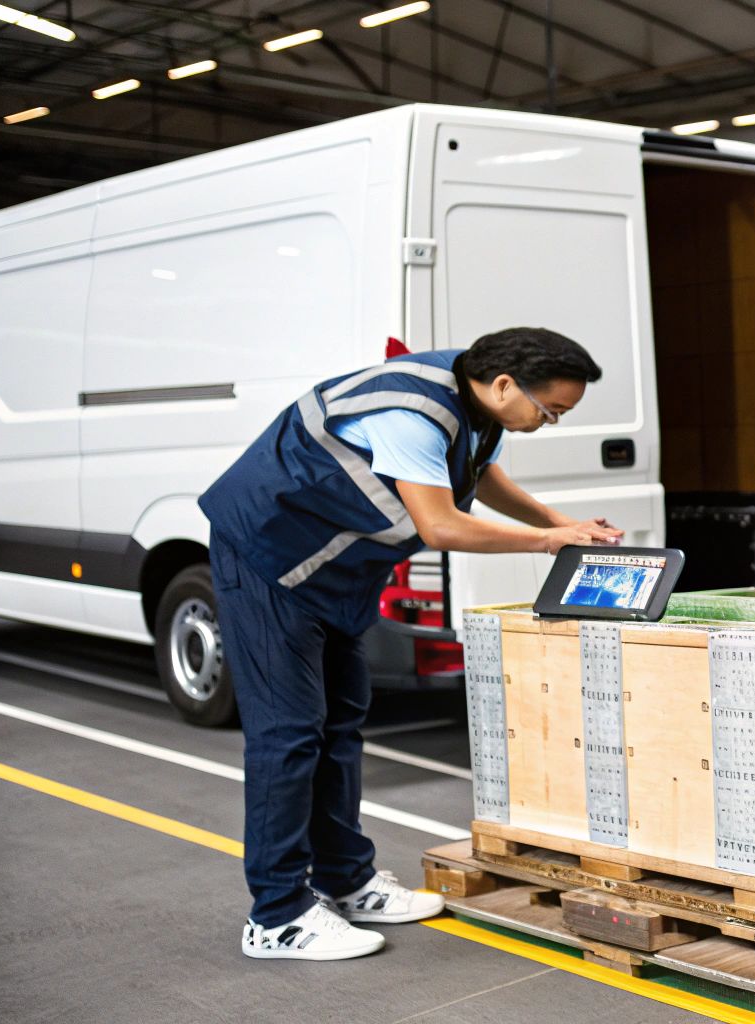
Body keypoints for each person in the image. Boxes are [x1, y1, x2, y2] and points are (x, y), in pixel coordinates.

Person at [199, 327, 623, 961]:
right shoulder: (412, 412)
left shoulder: (475, 398)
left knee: (340, 728)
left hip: (331, 573)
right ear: (507, 385)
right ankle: (277, 914)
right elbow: (440, 522)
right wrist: (544, 544)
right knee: (288, 735)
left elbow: (478, 476)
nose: (549, 422)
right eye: (549, 410)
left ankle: (345, 882)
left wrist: (564, 523)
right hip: (267, 558)